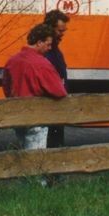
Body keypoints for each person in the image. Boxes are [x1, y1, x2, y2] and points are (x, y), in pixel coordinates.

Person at [2, 23, 68, 149]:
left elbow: (6, 86)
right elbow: (59, 91)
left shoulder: (12, 61)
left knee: (22, 151)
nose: (49, 48)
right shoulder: (42, 64)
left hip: (17, 113)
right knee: (35, 157)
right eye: (48, 44)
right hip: (36, 115)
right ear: (39, 42)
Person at [43, 9, 70, 147]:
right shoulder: (48, 52)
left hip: (56, 105)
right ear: (50, 28)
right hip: (50, 105)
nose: (62, 35)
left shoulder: (54, 50)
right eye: (60, 31)